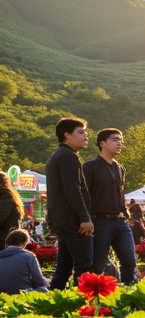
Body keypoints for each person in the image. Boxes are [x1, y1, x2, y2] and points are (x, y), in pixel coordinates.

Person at [82, 128, 137, 284]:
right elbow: (83, 196)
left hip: (120, 221)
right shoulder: (90, 167)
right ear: (102, 143)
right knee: (97, 265)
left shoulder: (120, 168)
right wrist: (85, 218)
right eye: (115, 139)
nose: (119, 143)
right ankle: (91, 301)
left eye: (121, 140)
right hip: (99, 221)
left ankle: (128, 296)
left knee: (129, 261)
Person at [46, 117, 95, 290]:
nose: (86, 137)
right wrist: (84, 217)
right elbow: (72, 190)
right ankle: (81, 303)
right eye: (81, 132)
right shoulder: (68, 156)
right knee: (84, 264)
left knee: (64, 267)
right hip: (73, 220)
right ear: (67, 135)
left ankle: (54, 301)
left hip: (63, 219)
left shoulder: (58, 155)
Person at [0, 229, 47, 294]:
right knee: (44, 289)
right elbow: (39, 282)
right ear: (23, 243)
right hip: (21, 294)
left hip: (2, 295)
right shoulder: (28, 257)